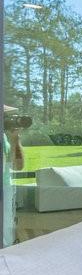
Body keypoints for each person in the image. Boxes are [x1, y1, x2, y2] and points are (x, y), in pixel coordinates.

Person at [3, 105, 27, 247]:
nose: (8, 120)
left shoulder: (6, 137)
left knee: (6, 227)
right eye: (5, 116)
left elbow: (18, 166)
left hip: (6, 187)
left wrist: (16, 141)